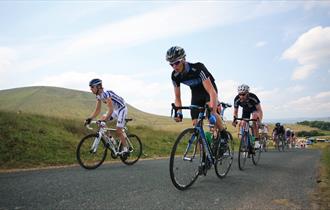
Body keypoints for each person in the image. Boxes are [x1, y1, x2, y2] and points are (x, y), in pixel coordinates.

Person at [166, 46, 227, 148]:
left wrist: (212, 108)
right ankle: (204, 155)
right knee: (196, 124)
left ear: (184, 59)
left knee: (211, 113)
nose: (174, 66)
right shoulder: (175, 76)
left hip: (208, 90)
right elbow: (177, 97)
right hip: (196, 94)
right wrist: (179, 112)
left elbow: (211, 91)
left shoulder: (198, 68)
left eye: (176, 62)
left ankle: (224, 136)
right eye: (171, 64)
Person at [85, 78, 129, 155]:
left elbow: (110, 110)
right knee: (101, 121)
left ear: (98, 87)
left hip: (122, 108)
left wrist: (104, 120)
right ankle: (112, 141)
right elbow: (97, 110)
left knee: (118, 130)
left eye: (92, 87)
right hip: (115, 110)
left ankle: (126, 149)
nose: (90, 89)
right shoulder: (98, 96)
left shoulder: (106, 94)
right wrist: (90, 119)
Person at [232, 84, 263, 152]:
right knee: (243, 123)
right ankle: (245, 142)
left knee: (254, 120)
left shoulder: (253, 97)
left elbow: (259, 110)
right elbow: (235, 112)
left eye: (243, 94)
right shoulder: (237, 99)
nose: (241, 96)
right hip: (246, 110)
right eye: (240, 94)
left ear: (247, 93)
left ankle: (257, 141)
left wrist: (259, 120)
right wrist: (234, 120)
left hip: (254, 110)